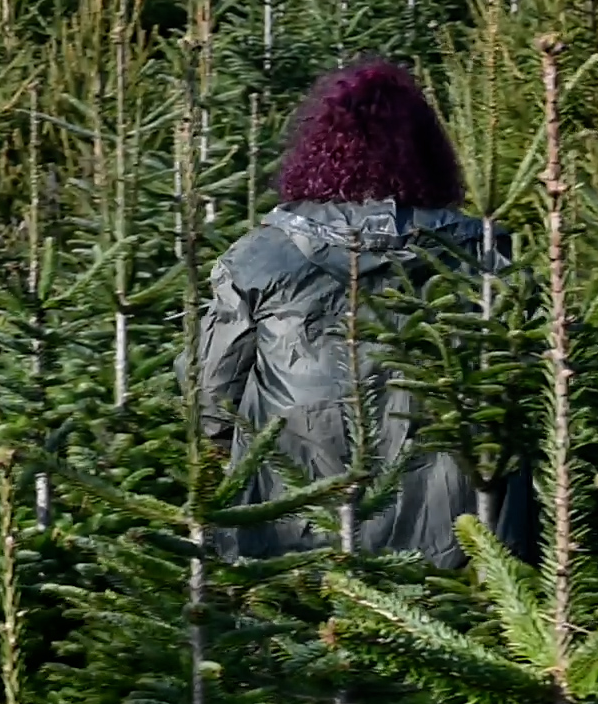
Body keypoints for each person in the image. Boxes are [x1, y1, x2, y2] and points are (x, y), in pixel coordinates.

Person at [181, 56, 532, 568]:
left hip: (293, 522)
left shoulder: (260, 256)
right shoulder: (481, 256)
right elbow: (522, 381)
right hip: (454, 533)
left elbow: (210, 393)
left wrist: (219, 452)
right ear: (426, 153)